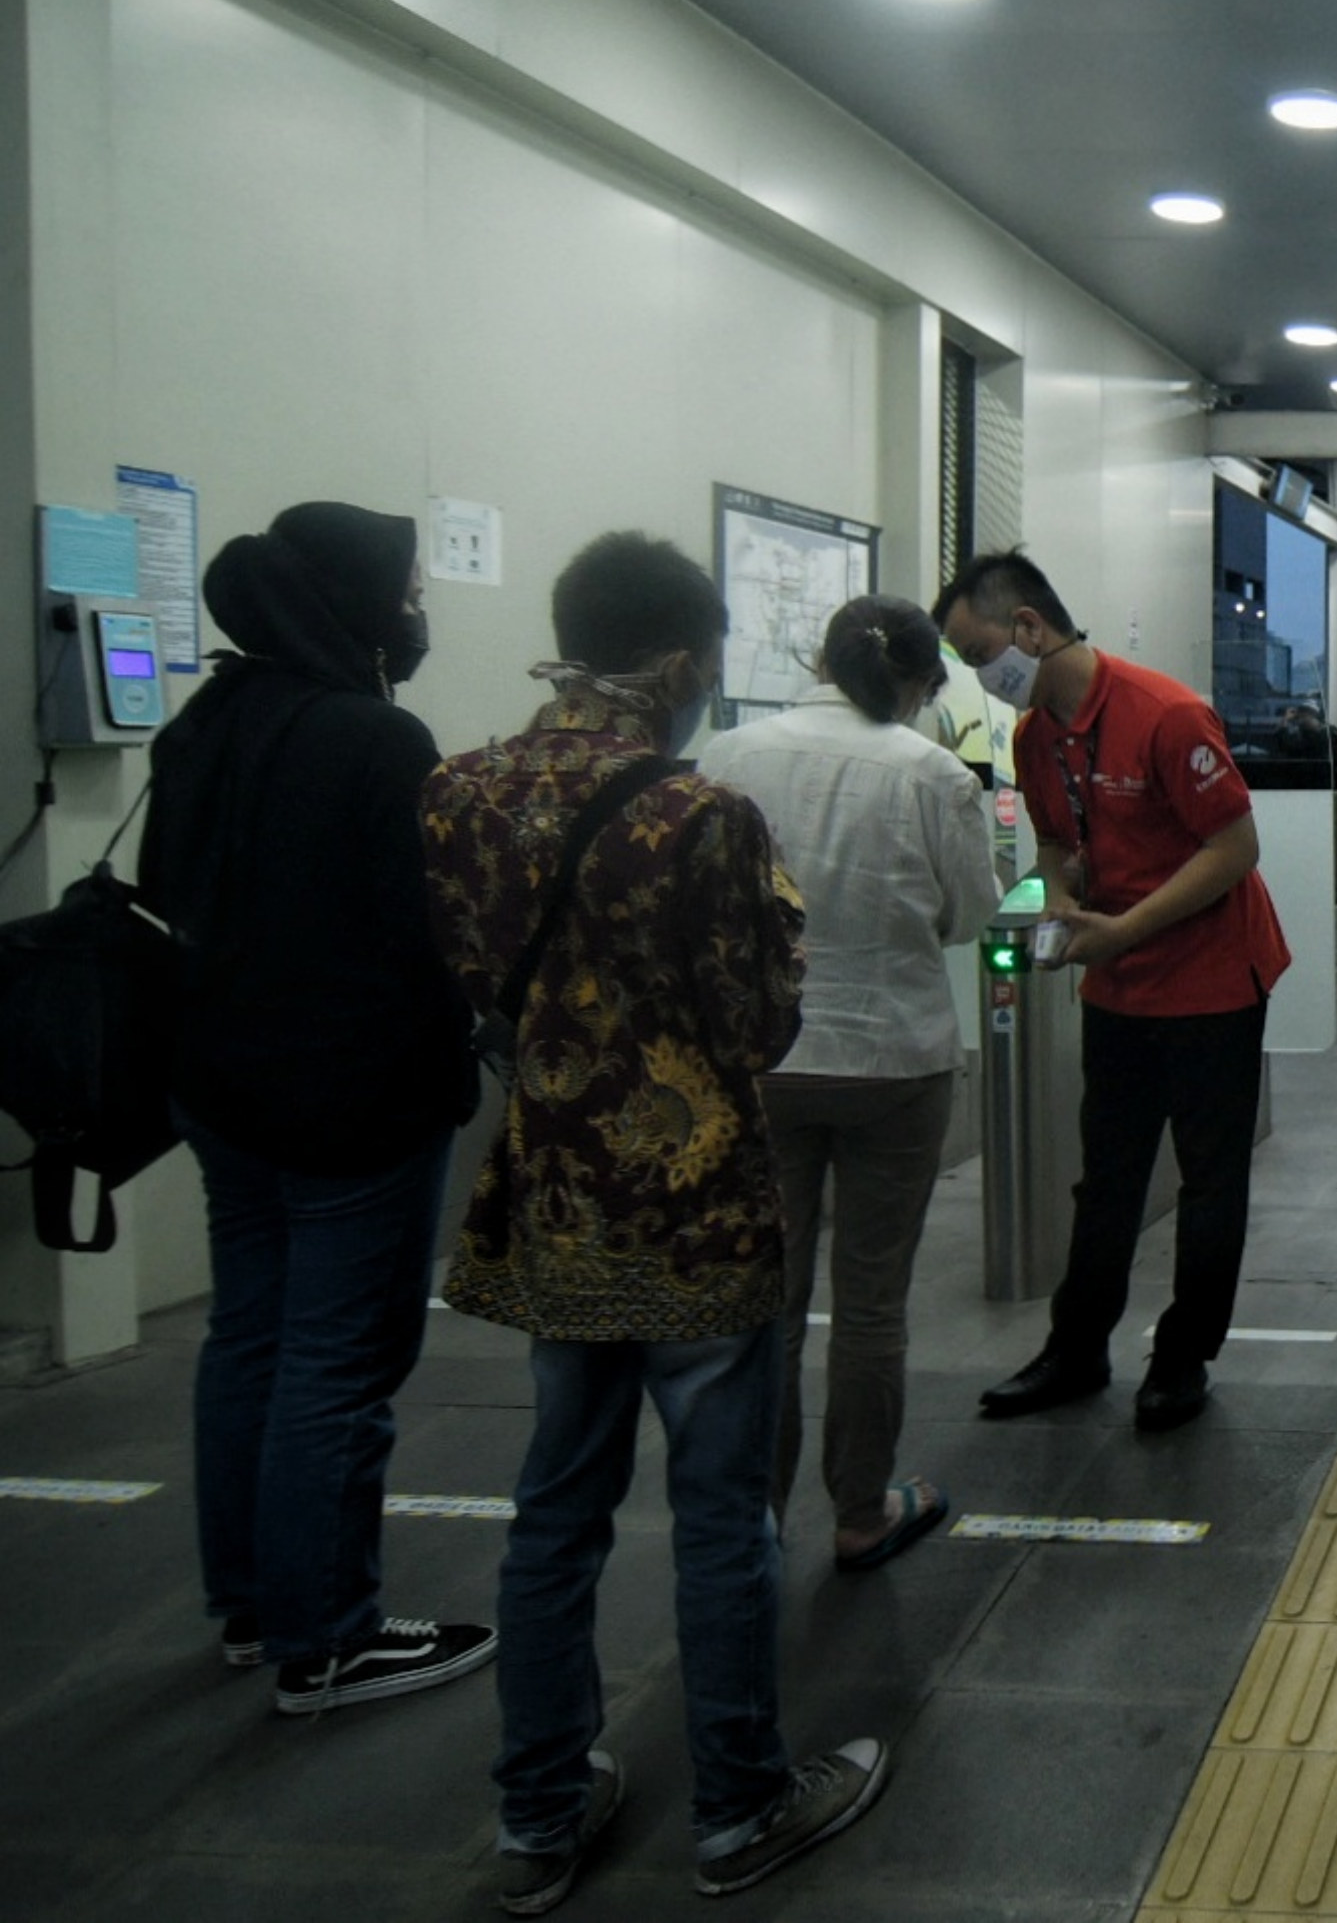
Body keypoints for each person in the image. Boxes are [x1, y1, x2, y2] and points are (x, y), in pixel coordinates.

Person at [422, 533, 885, 1914]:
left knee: (555, 1512)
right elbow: (759, 1022)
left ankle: (538, 1815)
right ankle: (740, 1807)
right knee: (721, 1516)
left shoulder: (455, 796)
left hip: (552, 1201)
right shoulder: (699, 817)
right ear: (680, 663)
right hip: (694, 1221)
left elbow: (472, 983)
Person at [134, 501, 490, 1713]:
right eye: (404, 594)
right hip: (353, 1102)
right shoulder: (372, 740)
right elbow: (433, 932)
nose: (415, 616)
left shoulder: (205, 724)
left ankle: (249, 1601)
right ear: (353, 603)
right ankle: (328, 1634)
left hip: (221, 1090)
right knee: (338, 1357)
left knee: (252, 1336)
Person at [938, 549, 1291, 1433]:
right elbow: (1056, 842)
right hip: (1119, 985)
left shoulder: (1165, 714)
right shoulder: (1033, 736)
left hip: (1212, 979)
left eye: (981, 652)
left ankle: (1181, 1358)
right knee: (1108, 1179)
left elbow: (1234, 850)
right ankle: (1075, 1346)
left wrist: (1125, 930)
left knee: (1209, 1181)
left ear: (1029, 627)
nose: (983, 675)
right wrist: (1060, 897)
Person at [698, 596, 1001, 1572]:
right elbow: (968, 916)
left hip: (763, 1064)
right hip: (894, 1063)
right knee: (871, 1302)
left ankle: (760, 1517)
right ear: (917, 683)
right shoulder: (932, 773)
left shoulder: (726, 756)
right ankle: (864, 1511)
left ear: (819, 657)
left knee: (768, 1304)